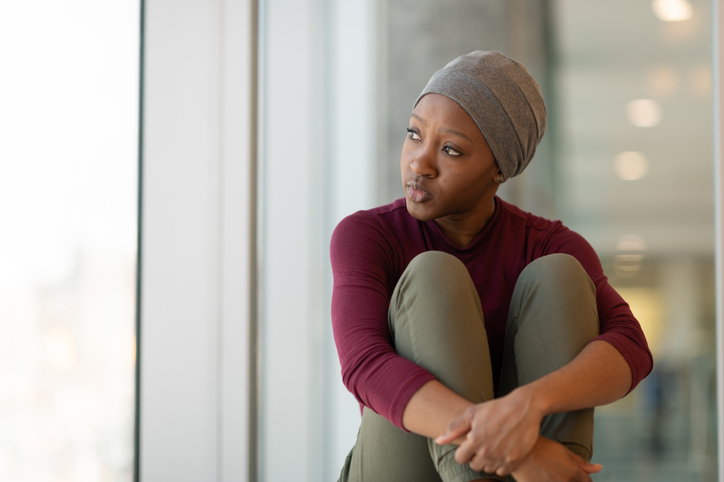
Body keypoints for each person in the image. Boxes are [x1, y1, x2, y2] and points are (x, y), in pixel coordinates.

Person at [330, 51, 653, 482]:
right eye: (414, 134)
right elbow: (363, 363)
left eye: (450, 149)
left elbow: (631, 346)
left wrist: (528, 405)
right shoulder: (367, 235)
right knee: (433, 274)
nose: (418, 163)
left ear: (499, 169)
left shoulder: (550, 245)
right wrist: (521, 453)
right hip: (406, 467)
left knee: (559, 275)